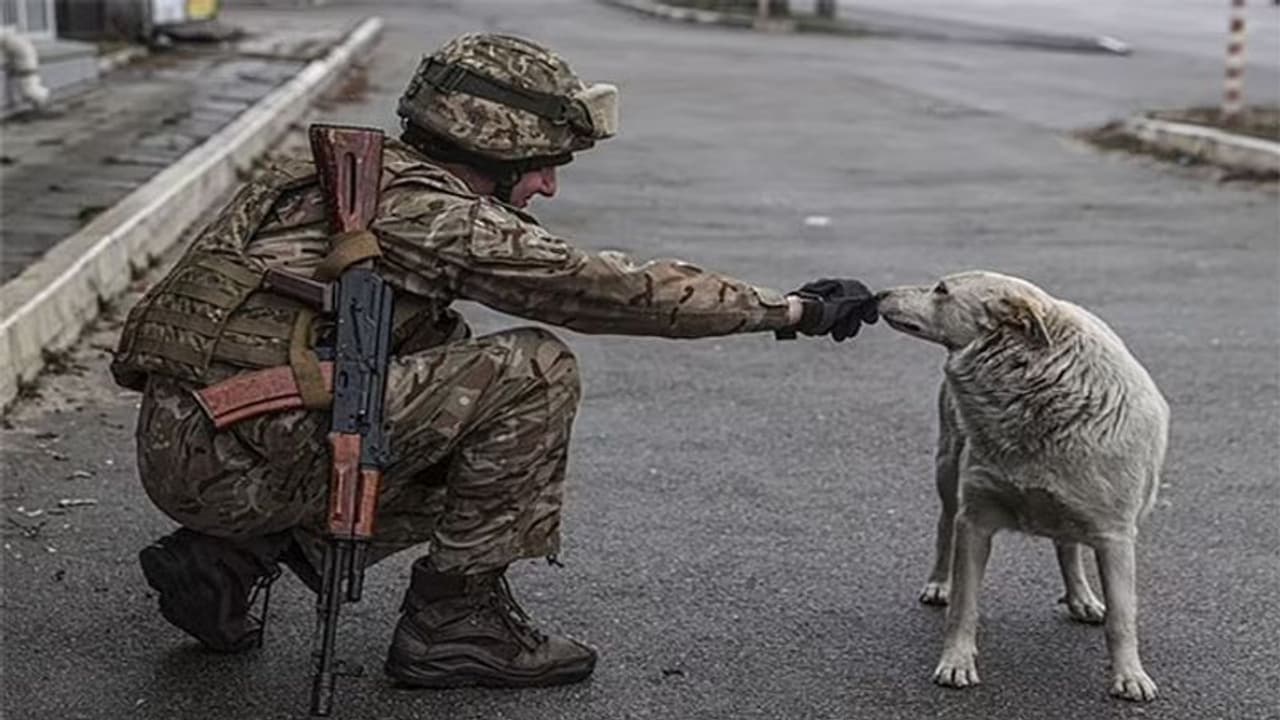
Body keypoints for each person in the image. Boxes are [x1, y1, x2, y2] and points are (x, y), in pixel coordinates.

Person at [111, 33, 879, 689]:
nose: (547, 183)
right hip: (246, 459)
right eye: (547, 163)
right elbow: (611, 292)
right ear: (499, 147)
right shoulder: (436, 216)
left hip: (189, 445)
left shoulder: (321, 178)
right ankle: (456, 621)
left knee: (431, 353)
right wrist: (792, 310)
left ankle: (227, 560)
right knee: (532, 373)